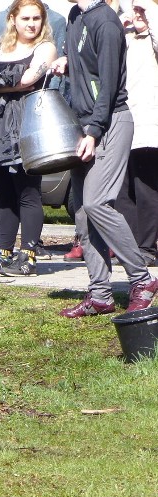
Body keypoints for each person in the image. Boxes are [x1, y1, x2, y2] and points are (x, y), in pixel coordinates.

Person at [51, 0, 158, 318]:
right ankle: (100, 295)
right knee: (83, 213)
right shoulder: (76, 17)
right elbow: (90, 64)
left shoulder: (107, 22)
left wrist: (94, 132)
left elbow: (109, 86)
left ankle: (142, 280)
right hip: (85, 124)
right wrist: (68, 61)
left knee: (97, 203)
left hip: (110, 123)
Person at [0, 0, 57, 276]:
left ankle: (29, 254)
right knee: (3, 193)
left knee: (28, 192)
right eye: (26, 19)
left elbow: (29, 79)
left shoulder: (46, 48)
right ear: (13, 20)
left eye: (37, 19)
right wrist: (4, 80)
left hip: (27, 124)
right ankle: (4, 252)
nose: (32, 24)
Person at [115, 0, 158, 266]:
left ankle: (147, 248)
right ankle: (129, 247)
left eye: (144, 8)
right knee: (121, 191)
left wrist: (151, 11)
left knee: (146, 190)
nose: (138, 13)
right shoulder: (128, 37)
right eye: (135, 8)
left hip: (148, 124)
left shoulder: (153, 40)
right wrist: (119, 24)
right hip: (121, 124)